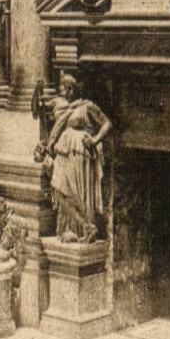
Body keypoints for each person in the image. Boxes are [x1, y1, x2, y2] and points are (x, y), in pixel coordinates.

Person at [37, 73, 112, 243]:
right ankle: (84, 226)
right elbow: (38, 110)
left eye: (67, 88)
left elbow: (107, 124)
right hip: (63, 151)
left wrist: (94, 140)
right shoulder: (62, 106)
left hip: (79, 153)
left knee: (76, 191)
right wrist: (37, 91)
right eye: (64, 88)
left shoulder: (87, 106)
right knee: (58, 188)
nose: (64, 91)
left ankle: (83, 229)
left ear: (74, 89)